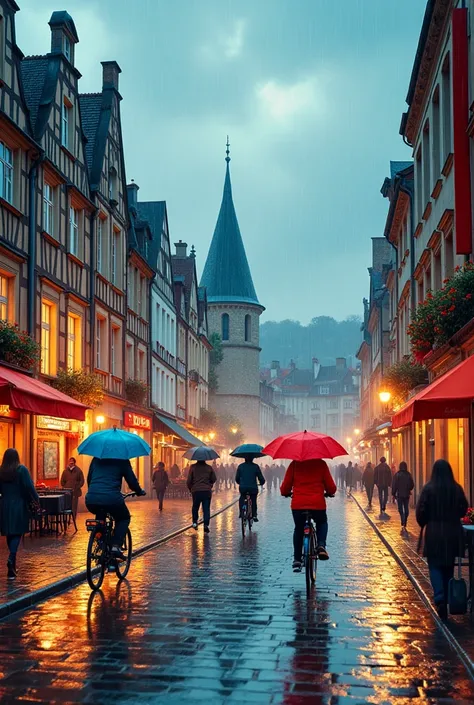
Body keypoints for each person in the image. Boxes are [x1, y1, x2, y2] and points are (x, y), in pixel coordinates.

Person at [416, 459, 468, 619]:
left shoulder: (428, 489)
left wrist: (426, 521)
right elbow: (464, 508)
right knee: (448, 566)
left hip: (434, 533)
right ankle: (444, 598)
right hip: (452, 532)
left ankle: (439, 597)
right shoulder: (456, 488)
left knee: (434, 566)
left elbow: (420, 512)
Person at [280, 458, 337, 572]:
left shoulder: (294, 464)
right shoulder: (321, 464)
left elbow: (285, 487)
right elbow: (331, 487)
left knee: (299, 529)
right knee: (322, 522)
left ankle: (297, 559)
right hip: (317, 503)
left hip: (298, 505)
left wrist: (286, 493)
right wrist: (329, 493)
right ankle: (321, 545)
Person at [85, 457, 145, 559]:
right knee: (124, 518)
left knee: (100, 514)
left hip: (91, 498)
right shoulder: (122, 460)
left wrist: (94, 491)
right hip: (112, 498)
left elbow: (89, 479)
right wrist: (139, 491)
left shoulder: (96, 459)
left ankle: (100, 540)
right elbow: (132, 481)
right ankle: (115, 546)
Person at [0, 449, 39, 579]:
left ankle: (12, 568)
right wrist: (36, 499)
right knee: (17, 532)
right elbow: (29, 486)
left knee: (9, 532)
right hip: (19, 505)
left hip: (5, 505)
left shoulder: (1, 471)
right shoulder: (21, 469)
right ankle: (11, 558)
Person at [187, 460, 217, 533]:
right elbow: (214, 479)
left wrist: (191, 488)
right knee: (206, 508)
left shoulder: (193, 467)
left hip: (196, 491)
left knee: (195, 507)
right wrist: (209, 484)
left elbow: (189, 481)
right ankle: (206, 525)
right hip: (206, 491)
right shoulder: (209, 468)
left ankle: (194, 522)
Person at [392, 461, 414, 529]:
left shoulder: (397, 474)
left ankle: (402, 519)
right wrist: (409, 489)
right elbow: (412, 484)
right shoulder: (408, 474)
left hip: (399, 494)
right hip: (406, 494)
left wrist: (393, 493)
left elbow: (394, 485)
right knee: (406, 507)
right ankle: (405, 520)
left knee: (400, 508)